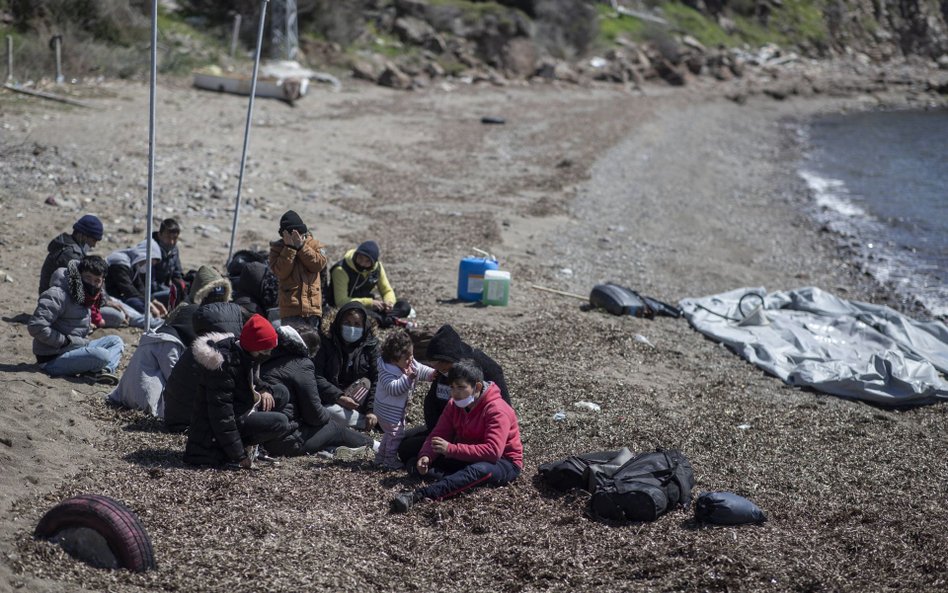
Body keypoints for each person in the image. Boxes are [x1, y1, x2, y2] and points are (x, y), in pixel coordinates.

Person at [391, 359, 522, 512]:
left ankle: (421, 495)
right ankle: (456, 479)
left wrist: (451, 449)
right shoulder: (454, 404)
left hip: (503, 461)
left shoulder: (497, 410)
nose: (455, 393)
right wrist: (426, 456)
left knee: (479, 470)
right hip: (467, 452)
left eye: (461, 387)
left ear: (477, 387)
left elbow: (493, 452)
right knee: (414, 461)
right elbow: (439, 433)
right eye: (452, 387)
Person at [106, 266, 232, 417]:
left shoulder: (196, 311)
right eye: (212, 298)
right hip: (163, 353)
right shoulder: (189, 311)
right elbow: (177, 377)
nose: (216, 303)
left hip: (160, 357)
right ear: (202, 295)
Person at [184, 315, 294, 467]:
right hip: (213, 438)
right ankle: (243, 447)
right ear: (255, 347)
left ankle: (252, 444)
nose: (269, 353)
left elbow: (250, 380)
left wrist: (263, 389)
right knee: (280, 422)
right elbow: (222, 417)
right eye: (267, 350)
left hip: (240, 407)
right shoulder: (223, 366)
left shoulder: (244, 352)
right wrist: (238, 456)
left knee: (281, 393)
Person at [397, 324, 510, 463]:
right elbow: (432, 401)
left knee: (407, 449)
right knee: (400, 440)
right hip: (448, 425)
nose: (440, 371)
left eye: (442, 367)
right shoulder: (443, 371)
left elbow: (504, 410)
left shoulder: (484, 367)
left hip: (473, 434)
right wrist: (436, 431)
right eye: (435, 367)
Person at [261, 324, 376, 457]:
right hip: (286, 441)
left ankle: (332, 449)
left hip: (261, 437)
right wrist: (327, 417)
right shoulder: (302, 364)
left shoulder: (267, 358)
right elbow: (314, 415)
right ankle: (377, 447)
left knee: (325, 432)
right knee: (335, 429)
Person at [28, 255, 125, 385]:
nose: (92, 284)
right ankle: (98, 368)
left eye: (97, 280)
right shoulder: (58, 294)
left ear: (102, 282)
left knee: (115, 341)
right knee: (102, 355)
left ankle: (102, 372)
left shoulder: (89, 297)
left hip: (75, 346)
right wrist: (64, 341)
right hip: (52, 357)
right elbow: (36, 326)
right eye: (88, 278)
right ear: (79, 276)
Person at [374, 330, 437, 470]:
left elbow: (419, 368)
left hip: (394, 409)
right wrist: (408, 379)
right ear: (394, 359)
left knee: (389, 434)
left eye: (412, 354)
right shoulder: (386, 371)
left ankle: (380, 457)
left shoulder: (407, 362)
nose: (411, 359)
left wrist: (431, 374)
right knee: (396, 434)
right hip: (386, 410)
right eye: (407, 357)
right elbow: (394, 389)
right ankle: (389, 459)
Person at [313, 301, 379, 431]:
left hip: (361, 400)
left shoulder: (371, 346)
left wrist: (371, 410)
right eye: (347, 323)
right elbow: (317, 377)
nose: (352, 328)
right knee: (328, 411)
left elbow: (377, 378)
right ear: (339, 323)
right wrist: (339, 397)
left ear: (364, 326)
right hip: (332, 400)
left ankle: (366, 420)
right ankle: (362, 423)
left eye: (357, 324)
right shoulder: (326, 342)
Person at [329, 240, 411, 327]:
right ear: (355, 255)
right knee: (369, 316)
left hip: (370, 307)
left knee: (404, 307)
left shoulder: (377, 268)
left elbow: (387, 290)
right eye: (360, 258)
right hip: (349, 308)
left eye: (367, 261)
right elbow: (340, 302)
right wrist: (370, 302)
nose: (362, 263)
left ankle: (387, 320)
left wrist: (389, 303)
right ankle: (388, 320)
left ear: (373, 263)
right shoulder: (341, 270)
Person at [268, 210, 327, 328]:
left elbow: (318, 265)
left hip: (312, 308)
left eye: (298, 233)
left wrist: (301, 247)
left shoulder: (314, 245)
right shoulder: (278, 249)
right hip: (290, 308)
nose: (296, 237)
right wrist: (289, 248)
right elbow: (281, 272)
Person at [39, 214, 104, 294]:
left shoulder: (66, 246)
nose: (93, 245)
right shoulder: (71, 255)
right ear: (82, 236)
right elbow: (80, 291)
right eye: (93, 240)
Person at [105, 238, 168, 320]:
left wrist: (154, 301)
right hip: (110, 297)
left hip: (122, 296)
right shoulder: (120, 263)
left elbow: (140, 287)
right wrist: (149, 305)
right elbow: (128, 290)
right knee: (135, 302)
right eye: (149, 263)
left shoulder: (135, 264)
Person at [151, 218, 185, 306]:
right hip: (151, 294)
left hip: (166, 289)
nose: (171, 242)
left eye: (175, 238)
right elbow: (151, 284)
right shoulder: (150, 250)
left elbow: (178, 274)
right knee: (176, 295)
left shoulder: (174, 250)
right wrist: (172, 290)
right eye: (168, 237)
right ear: (159, 235)